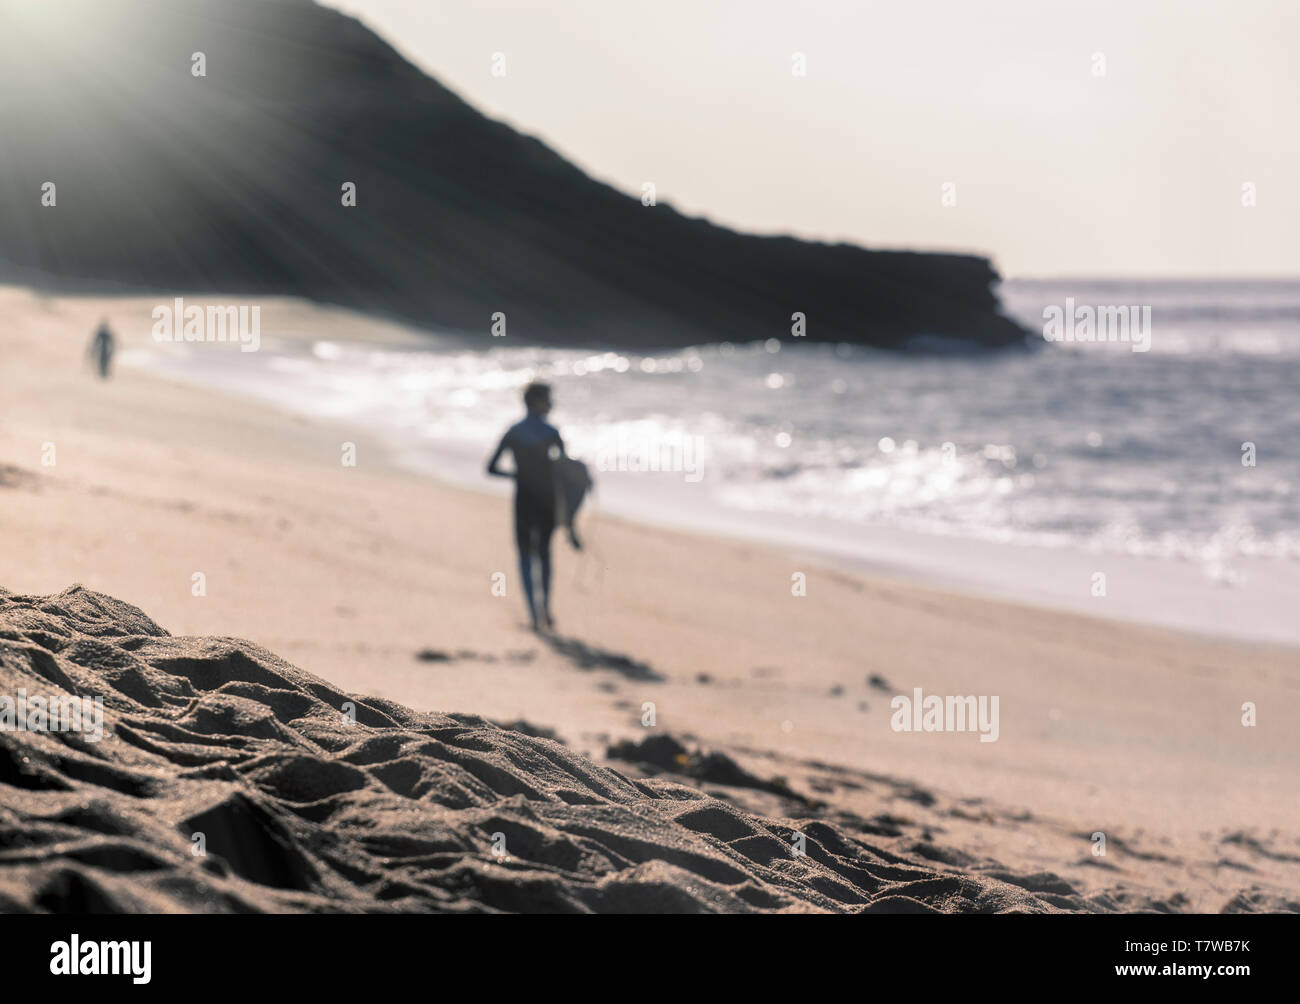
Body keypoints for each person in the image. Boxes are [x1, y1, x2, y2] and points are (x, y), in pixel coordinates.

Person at [486, 382, 580, 631]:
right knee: (545, 554)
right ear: (537, 402)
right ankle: (546, 608)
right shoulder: (551, 432)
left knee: (525, 555)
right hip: (547, 500)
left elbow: (491, 468)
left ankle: (533, 614)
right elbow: (564, 473)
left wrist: (515, 476)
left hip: (524, 499)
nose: (552, 404)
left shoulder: (513, 432)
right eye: (548, 399)